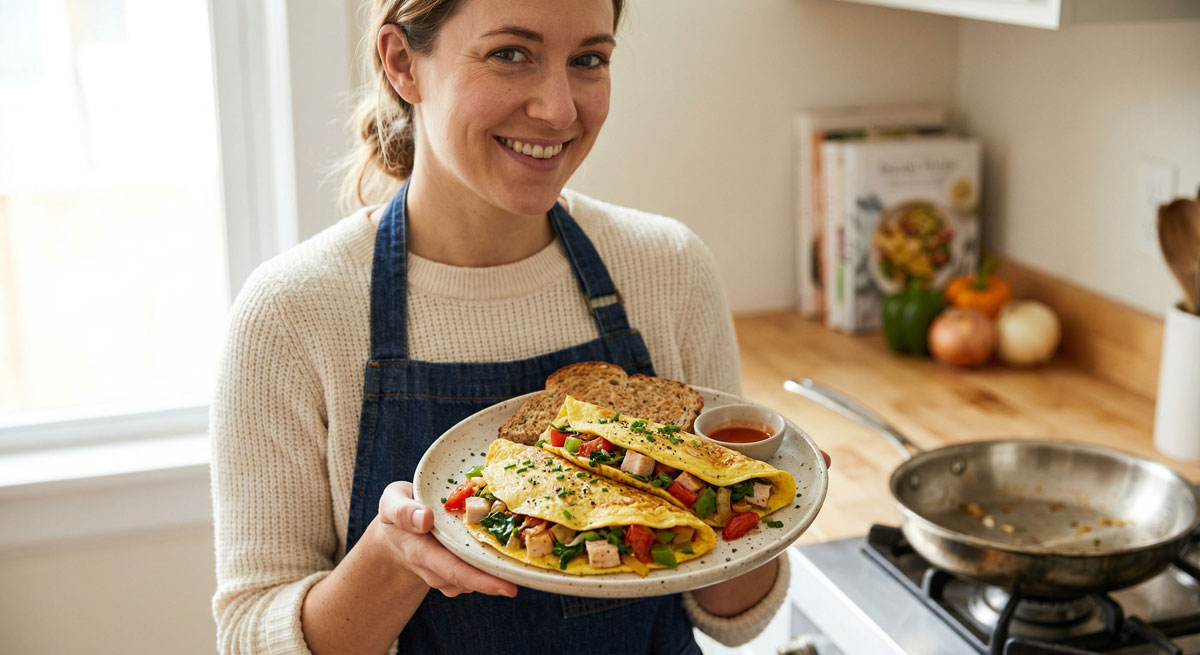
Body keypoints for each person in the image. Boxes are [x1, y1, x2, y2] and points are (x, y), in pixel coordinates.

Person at [210, 1, 792, 653]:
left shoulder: (669, 268)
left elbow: (733, 614)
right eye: (510, 54)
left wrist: (757, 510)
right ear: (403, 63)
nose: (559, 110)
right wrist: (394, 557)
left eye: (588, 60)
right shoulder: (292, 314)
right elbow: (249, 636)